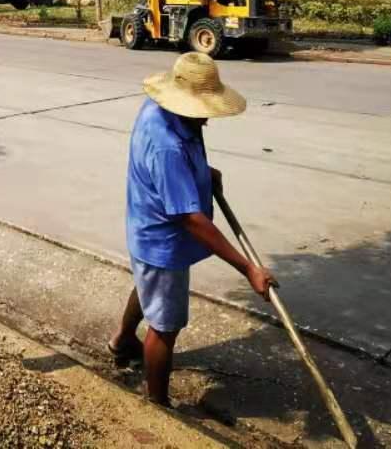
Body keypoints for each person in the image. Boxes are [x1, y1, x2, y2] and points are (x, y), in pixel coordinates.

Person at [109, 52, 274, 406]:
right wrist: (248, 268)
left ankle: (122, 340)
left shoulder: (157, 110)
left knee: (147, 287)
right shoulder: (168, 147)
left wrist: (201, 172)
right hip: (162, 238)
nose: (207, 119)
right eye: (202, 111)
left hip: (144, 223)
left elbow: (173, 168)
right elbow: (191, 219)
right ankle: (157, 402)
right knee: (165, 327)